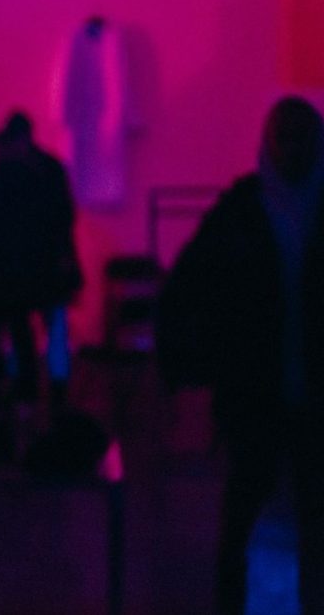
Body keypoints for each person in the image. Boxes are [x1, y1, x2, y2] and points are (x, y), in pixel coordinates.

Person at [157, 96, 324, 615]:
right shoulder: (243, 210)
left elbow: (186, 289)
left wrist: (189, 370)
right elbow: (188, 290)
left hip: (265, 390)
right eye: (286, 138)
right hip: (262, 392)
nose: (292, 149)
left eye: (300, 139)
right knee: (267, 512)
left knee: (254, 512)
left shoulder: (242, 210)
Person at [0, 113, 81, 415]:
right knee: (42, 329)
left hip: (11, 268)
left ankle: (14, 392)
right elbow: (62, 217)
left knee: (13, 329)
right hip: (43, 263)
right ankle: (50, 392)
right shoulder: (45, 169)